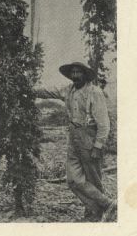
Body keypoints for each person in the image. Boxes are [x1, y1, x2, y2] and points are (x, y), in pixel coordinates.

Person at [37, 62, 116, 221]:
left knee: (93, 179)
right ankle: (108, 203)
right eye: (72, 72)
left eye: (78, 72)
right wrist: (29, 90)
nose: (75, 76)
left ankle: (93, 214)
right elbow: (49, 91)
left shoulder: (94, 92)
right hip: (73, 137)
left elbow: (104, 123)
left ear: (85, 75)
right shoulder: (69, 90)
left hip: (90, 137)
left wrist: (98, 146)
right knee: (73, 179)